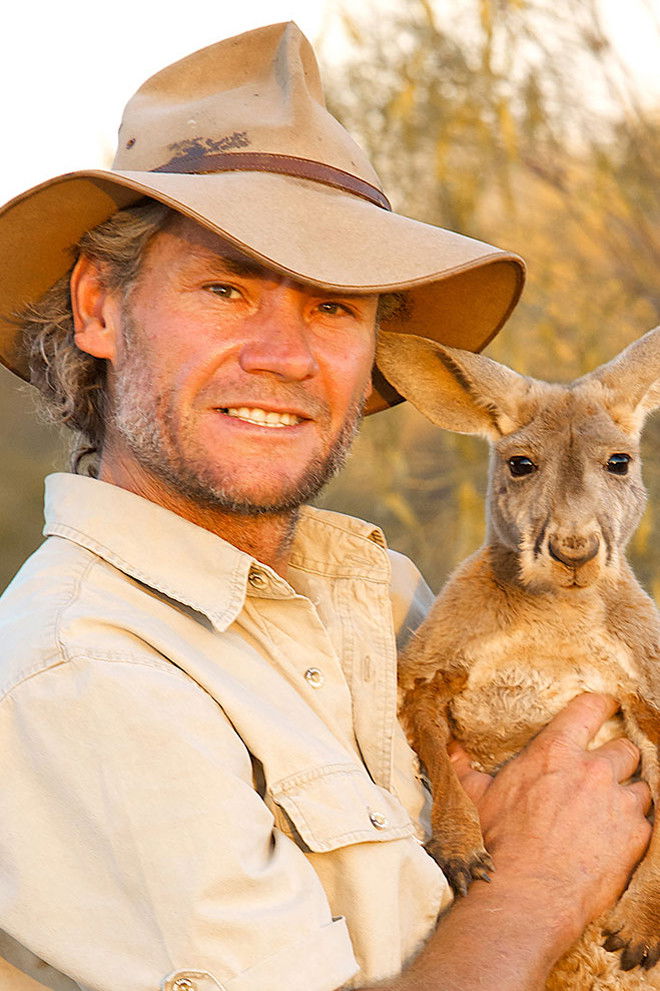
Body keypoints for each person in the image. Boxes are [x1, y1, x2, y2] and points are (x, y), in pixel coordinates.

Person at [0, 21, 651, 991]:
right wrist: (539, 885)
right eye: (226, 288)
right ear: (99, 307)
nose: (285, 356)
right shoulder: (85, 672)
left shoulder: (382, 594)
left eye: (333, 306)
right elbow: (553, 858)